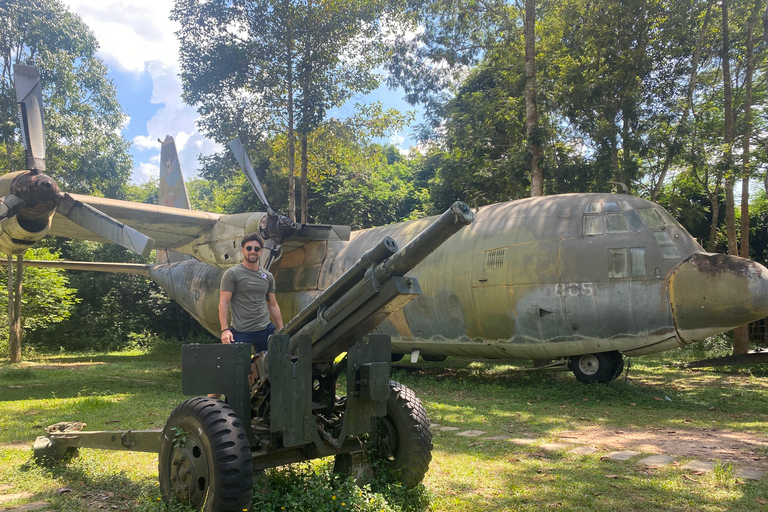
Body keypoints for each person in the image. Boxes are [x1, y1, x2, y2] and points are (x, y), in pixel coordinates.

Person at [219, 233, 284, 351]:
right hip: (241, 331)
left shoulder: (268, 276)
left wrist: (281, 329)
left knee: (273, 365)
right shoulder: (232, 274)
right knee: (238, 367)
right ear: (243, 250)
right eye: (249, 248)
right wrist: (225, 330)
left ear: (261, 251)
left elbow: (273, 304)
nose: (253, 251)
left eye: (256, 249)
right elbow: (224, 302)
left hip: (265, 329)